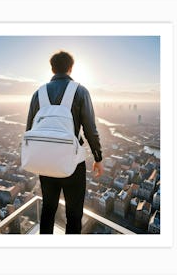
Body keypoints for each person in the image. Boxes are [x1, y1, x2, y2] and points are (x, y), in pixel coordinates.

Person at [26, 50, 104, 234]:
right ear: (71, 68)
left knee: (48, 209)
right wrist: (98, 157)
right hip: (72, 163)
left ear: (52, 69)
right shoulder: (80, 91)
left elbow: (30, 130)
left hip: (46, 163)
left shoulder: (38, 94)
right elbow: (90, 130)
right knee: (74, 213)